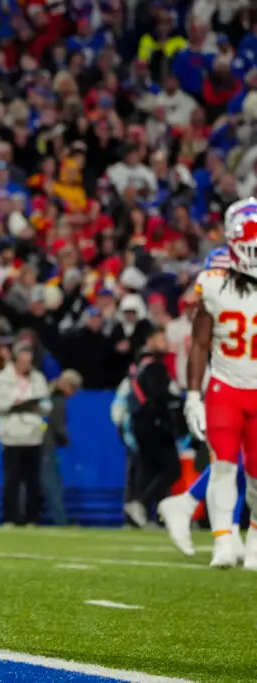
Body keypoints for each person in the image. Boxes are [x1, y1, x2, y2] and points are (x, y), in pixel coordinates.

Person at [158, 197, 257, 559]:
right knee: (229, 463)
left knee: (240, 463)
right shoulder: (217, 274)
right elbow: (201, 332)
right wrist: (193, 395)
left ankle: (188, 506)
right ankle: (222, 533)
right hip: (227, 378)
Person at [122, 327, 185, 528]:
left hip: (141, 422)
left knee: (150, 470)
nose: (165, 343)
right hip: (154, 424)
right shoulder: (154, 366)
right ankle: (141, 504)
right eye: (161, 339)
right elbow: (158, 396)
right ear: (150, 341)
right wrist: (174, 407)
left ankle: (146, 515)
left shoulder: (139, 364)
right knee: (171, 468)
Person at [0, 340, 52, 527]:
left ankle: (32, 518)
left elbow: (47, 404)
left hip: (33, 435)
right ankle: (10, 518)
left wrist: (37, 405)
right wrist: (12, 403)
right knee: (12, 480)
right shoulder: (3, 377)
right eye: (23, 359)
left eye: (29, 359)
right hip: (11, 435)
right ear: (16, 358)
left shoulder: (38, 377)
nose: (27, 363)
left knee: (33, 480)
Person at [40, 369, 82, 526]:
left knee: (35, 484)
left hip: (36, 443)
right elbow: (58, 427)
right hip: (46, 446)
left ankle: (27, 516)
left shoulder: (47, 394)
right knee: (53, 485)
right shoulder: (58, 401)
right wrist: (65, 441)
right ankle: (61, 521)